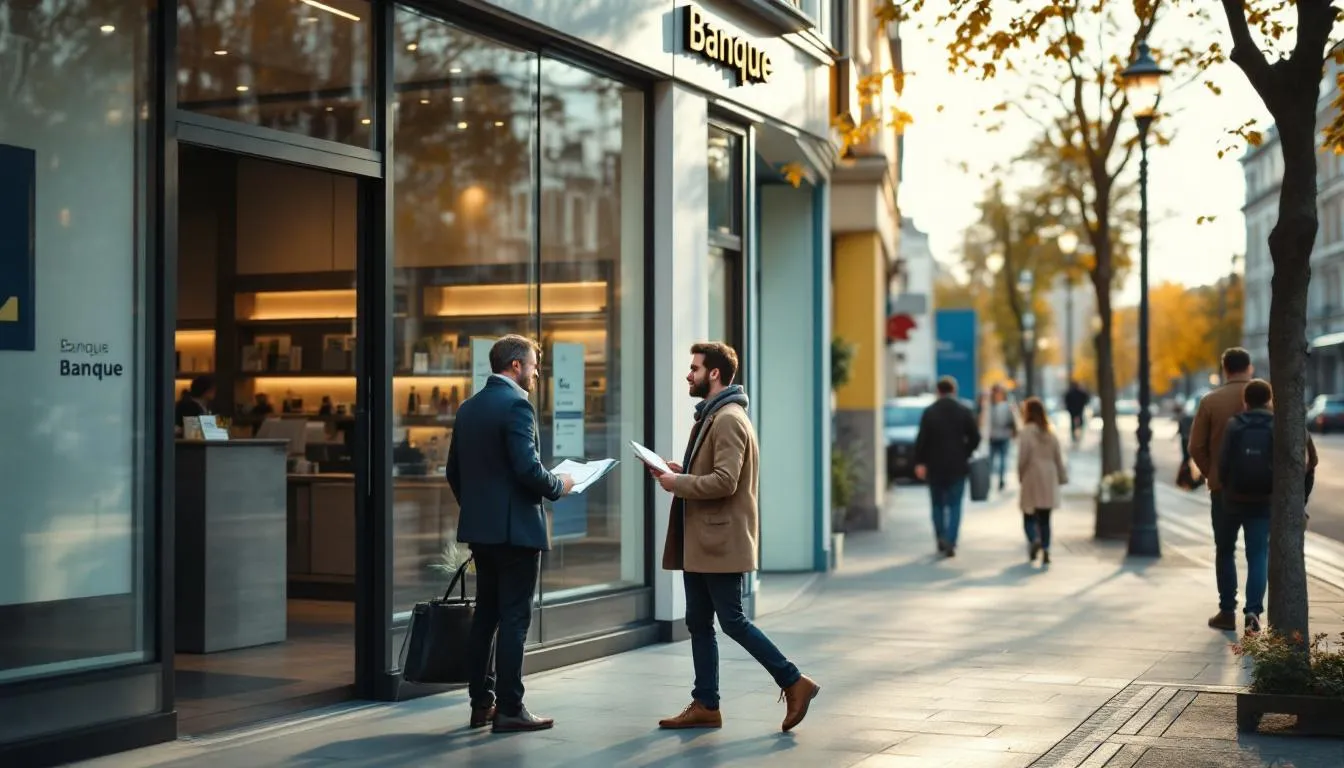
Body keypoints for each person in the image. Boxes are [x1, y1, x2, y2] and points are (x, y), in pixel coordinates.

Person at [652, 342, 820, 733]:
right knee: (698, 621)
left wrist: (679, 483)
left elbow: (725, 481)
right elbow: (714, 473)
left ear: (714, 374)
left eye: (694, 368)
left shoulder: (728, 418)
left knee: (732, 621)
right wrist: (679, 472)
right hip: (703, 542)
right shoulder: (714, 415)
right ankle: (706, 704)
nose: (688, 375)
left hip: (720, 543)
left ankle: (794, 681)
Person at [445, 335, 575, 733]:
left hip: (482, 533)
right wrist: (559, 485)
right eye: (534, 365)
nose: (537, 372)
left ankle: (481, 704)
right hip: (517, 534)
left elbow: (453, 471)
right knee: (515, 621)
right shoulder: (518, 405)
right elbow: (527, 469)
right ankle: (510, 709)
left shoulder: (469, 408)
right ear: (516, 366)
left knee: (486, 617)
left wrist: (479, 512)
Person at [1189, 347, 1255, 633]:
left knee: (1225, 548)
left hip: (1223, 489)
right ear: (1249, 368)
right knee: (1257, 551)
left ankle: (1227, 610)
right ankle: (1253, 612)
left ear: (1225, 369)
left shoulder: (1210, 401)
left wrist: (1212, 473)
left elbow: (1195, 446)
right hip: (1260, 489)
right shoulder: (1267, 398)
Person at [914, 376, 982, 557]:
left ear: (938, 391)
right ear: (954, 391)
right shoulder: (964, 411)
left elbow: (921, 439)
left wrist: (920, 462)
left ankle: (940, 537)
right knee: (955, 505)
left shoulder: (930, 412)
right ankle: (951, 540)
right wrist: (966, 452)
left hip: (934, 466)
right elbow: (976, 437)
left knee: (937, 505)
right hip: (957, 465)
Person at [1017, 397, 1068, 565]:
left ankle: (1034, 539)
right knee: (1045, 517)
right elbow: (1058, 458)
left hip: (1032, 475)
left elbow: (1023, 457)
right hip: (1049, 476)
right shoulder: (1050, 432)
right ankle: (1046, 549)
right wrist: (1062, 476)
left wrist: (1020, 474)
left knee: (1028, 513)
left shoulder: (1026, 432)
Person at [986, 384, 1017, 491]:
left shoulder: (1007, 406)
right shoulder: (989, 406)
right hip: (993, 436)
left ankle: (1001, 480)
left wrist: (1012, 432)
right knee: (991, 460)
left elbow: (1012, 421)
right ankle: (988, 481)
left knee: (1003, 459)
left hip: (1004, 435)